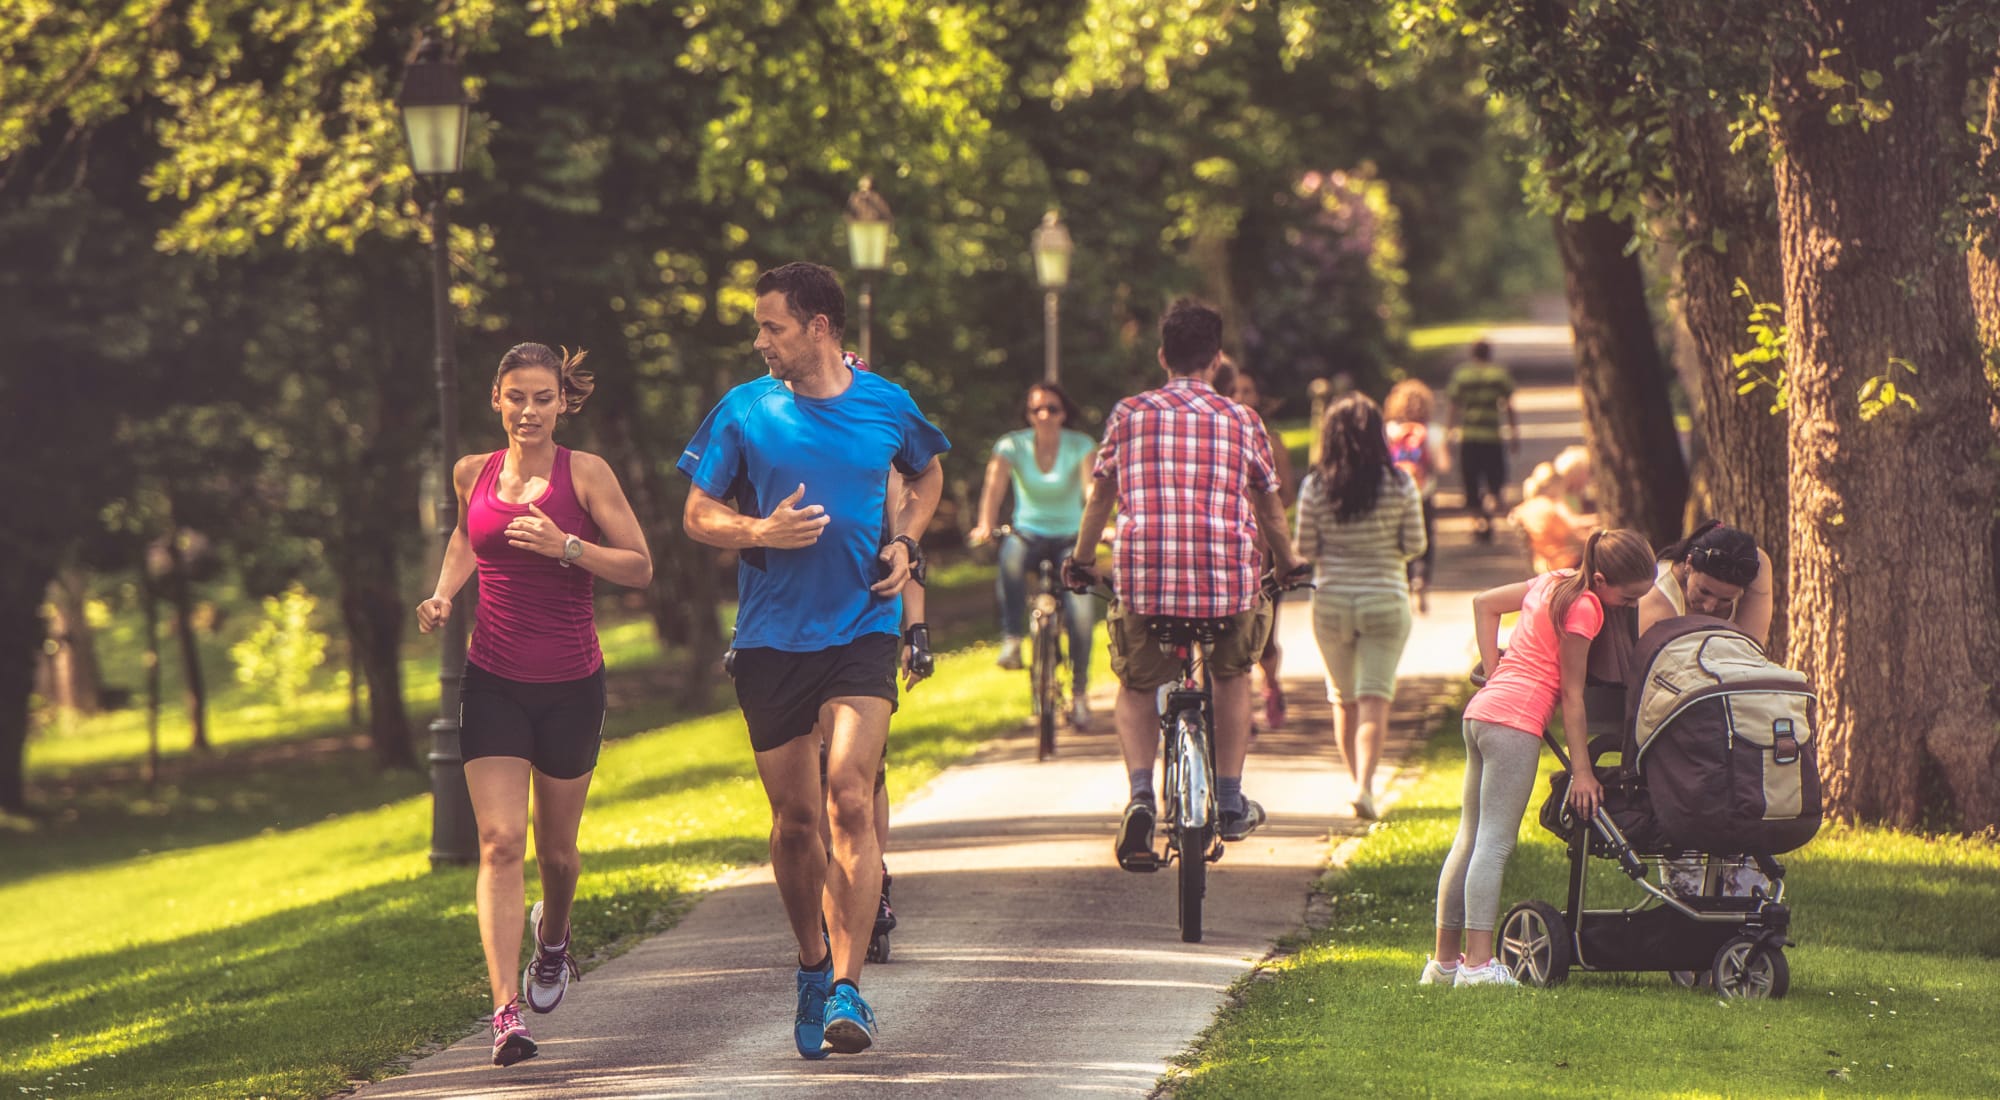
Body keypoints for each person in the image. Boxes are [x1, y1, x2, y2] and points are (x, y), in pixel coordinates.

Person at [679, 262, 948, 1057]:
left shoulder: (885, 403)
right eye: (760, 329)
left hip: (863, 625)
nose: (761, 342)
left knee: (849, 797)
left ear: (819, 326)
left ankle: (848, 989)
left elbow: (928, 473)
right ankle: (810, 960)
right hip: (770, 640)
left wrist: (906, 541)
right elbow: (697, 512)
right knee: (796, 824)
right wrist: (758, 533)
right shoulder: (744, 410)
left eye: (774, 327)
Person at [415, 342, 654, 1067]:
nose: (528, 410)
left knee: (557, 852)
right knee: (498, 843)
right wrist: (444, 593)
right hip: (492, 681)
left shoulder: (586, 474)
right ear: (495, 398)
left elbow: (641, 567)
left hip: (572, 686)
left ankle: (554, 943)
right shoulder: (471, 474)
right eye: (515, 396)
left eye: (542, 397)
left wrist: (567, 546)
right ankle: (504, 1013)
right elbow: (467, 536)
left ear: (562, 402)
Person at [1065, 299, 1308, 867]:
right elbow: (1270, 510)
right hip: (1227, 581)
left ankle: (1142, 796)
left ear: (1162, 356)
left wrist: (1080, 559)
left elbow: (1100, 495)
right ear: (1216, 358)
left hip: (1147, 581)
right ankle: (1227, 797)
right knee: (1231, 672)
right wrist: (1290, 563)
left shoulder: (1128, 414)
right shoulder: (1243, 420)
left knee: (1134, 683)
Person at [1423, 529, 1656, 988]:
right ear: (1604, 579)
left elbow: (1484, 603)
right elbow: (1572, 696)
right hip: (1514, 723)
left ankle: (1444, 964)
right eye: (1628, 598)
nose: (1629, 607)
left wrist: (1494, 673)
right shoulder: (1586, 607)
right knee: (1494, 843)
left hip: (1482, 716)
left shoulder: (1553, 580)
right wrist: (1584, 774)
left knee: (1468, 839)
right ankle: (1479, 966)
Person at [1296, 394, 1426, 822]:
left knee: (1343, 699)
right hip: (1385, 599)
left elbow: (1306, 548)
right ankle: (1365, 787)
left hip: (1332, 600)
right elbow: (1415, 545)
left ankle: (1356, 785)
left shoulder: (1315, 485)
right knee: (1375, 698)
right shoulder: (1401, 483)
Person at [967, 382, 1097, 728]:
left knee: (1082, 612)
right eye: (1036, 409)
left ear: (1063, 413)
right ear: (1028, 414)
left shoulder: (1081, 445)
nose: (1044, 415)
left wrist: (1100, 526)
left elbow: (1091, 490)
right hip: (1029, 532)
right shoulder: (1011, 445)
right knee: (1009, 558)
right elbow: (994, 488)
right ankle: (1012, 640)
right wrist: (985, 524)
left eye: (1052, 408)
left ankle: (1080, 695)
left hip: (1071, 537)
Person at [1229, 363, 1298, 729]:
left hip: (1263, 552)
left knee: (1264, 637)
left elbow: (1285, 494)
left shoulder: (1271, 443)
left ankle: (1270, 684)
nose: (1240, 398)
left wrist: (1261, 513)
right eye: (1234, 391)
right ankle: (1237, 705)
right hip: (1224, 549)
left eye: (1248, 391)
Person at [1637, 519, 1773, 647]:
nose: (1709, 607)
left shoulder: (1757, 564)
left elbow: (1748, 651)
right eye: (1704, 591)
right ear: (1689, 563)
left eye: (1726, 600)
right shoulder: (1657, 600)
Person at [1383, 379, 1450, 613]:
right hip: (1424, 492)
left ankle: (1405, 580)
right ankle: (1422, 579)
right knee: (1425, 538)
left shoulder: (1388, 431)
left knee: (1399, 538)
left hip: (1395, 494)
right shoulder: (1433, 431)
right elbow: (1443, 465)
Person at [1444, 340, 1519, 543]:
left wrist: (1449, 434)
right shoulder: (1499, 375)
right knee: (1495, 479)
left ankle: (1478, 519)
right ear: (1490, 353)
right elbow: (1509, 406)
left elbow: (1453, 406)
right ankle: (1489, 508)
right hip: (1492, 436)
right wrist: (1514, 433)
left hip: (1469, 436)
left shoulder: (1462, 375)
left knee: (1471, 479)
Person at [1509, 462, 1592, 573]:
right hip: (1560, 561)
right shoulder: (1549, 508)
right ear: (1555, 485)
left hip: (1540, 561)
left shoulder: (1524, 508)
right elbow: (1571, 537)